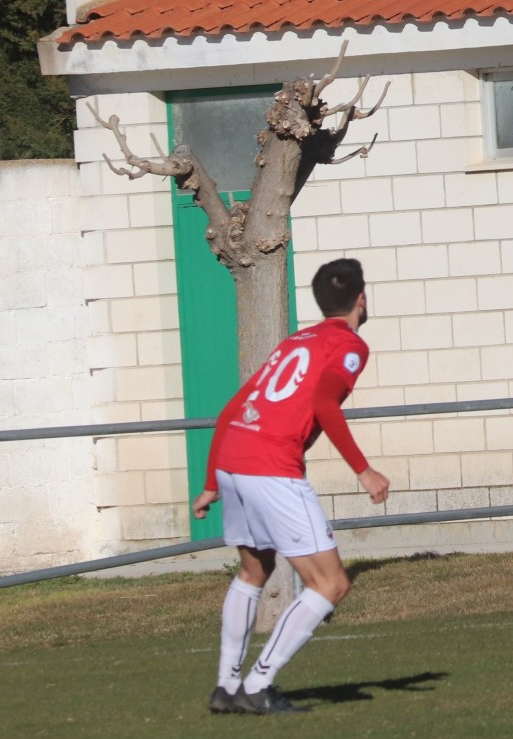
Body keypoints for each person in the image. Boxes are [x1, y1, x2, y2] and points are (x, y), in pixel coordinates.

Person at [192, 258, 390, 715]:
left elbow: (231, 410)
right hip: (271, 466)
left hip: (234, 461)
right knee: (331, 584)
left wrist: (210, 483)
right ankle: (258, 686)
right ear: (361, 299)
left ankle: (226, 686)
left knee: (254, 571)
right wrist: (363, 469)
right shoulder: (350, 345)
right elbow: (324, 402)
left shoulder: (295, 341)